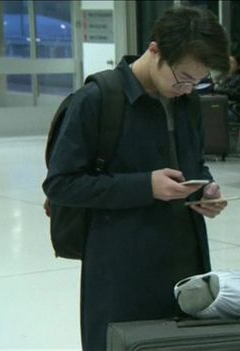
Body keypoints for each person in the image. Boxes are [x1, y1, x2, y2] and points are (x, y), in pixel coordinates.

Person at [42, 6, 230, 350]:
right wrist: (145, 186)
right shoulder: (98, 99)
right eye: (183, 77)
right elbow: (60, 184)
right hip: (120, 267)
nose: (188, 88)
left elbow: (194, 164)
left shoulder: (187, 103)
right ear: (155, 50)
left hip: (185, 262)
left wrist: (205, 188)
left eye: (198, 81)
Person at [214, 54, 240, 121]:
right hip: (223, 106)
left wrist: (218, 89)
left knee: (213, 114)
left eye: (231, 62)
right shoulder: (225, 78)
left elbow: (236, 94)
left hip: (235, 110)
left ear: (238, 66)